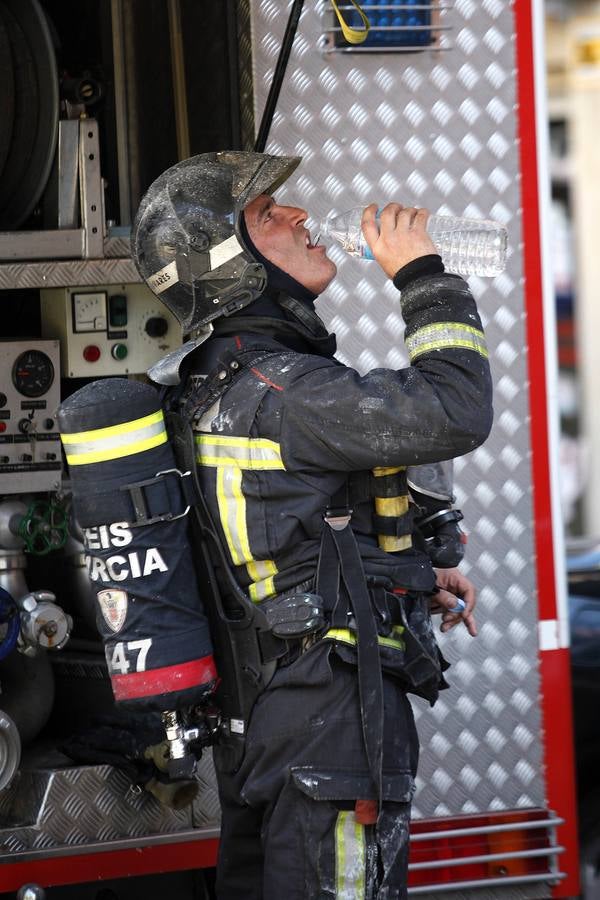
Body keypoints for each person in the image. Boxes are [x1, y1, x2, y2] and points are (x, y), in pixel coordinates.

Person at [131, 150, 493, 899]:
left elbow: (274, 530)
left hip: (261, 712)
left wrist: (406, 572)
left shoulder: (212, 383)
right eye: (268, 215)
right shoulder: (287, 390)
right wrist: (425, 276)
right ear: (231, 262)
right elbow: (457, 409)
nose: (298, 216)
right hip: (328, 719)